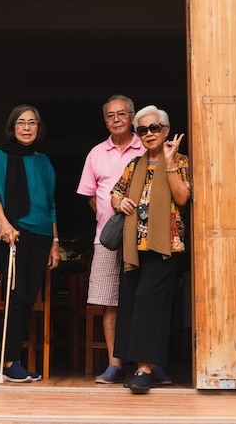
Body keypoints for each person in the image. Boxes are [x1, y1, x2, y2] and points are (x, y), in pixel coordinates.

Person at [111, 105, 191, 393]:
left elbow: (182, 198)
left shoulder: (179, 161)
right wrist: (119, 203)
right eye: (142, 130)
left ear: (166, 130)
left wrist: (169, 162)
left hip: (164, 244)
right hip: (134, 246)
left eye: (154, 128)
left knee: (149, 301)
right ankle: (147, 367)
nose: (148, 134)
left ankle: (145, 369)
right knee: (134, 303)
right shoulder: (134, 164)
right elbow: (115, 193)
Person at [0, 104, 60, 383]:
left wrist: (54, 242)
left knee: (28, 299)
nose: (26, 127)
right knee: (15, 297)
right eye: (20, 122)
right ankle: (8, 362)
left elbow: (51, 204)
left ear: (38, 129)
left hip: (41, 235)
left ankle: (15, 360)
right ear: (11, 127)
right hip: (12, 233)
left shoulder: (44, 162)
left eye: (32, 123)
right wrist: (4, 224)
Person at [77, 94, 146, 383]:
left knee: (144, 299)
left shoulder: (146, 147)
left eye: (121, 114)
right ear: (105, 120)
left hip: (143, 238)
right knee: (109, 302)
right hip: (106, 238)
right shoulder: (96, 153)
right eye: (110, 115)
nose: (116, 119)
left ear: (132, 117)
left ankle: (147, 362)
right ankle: (114, 364)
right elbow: (91, 195)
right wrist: (111, 219)